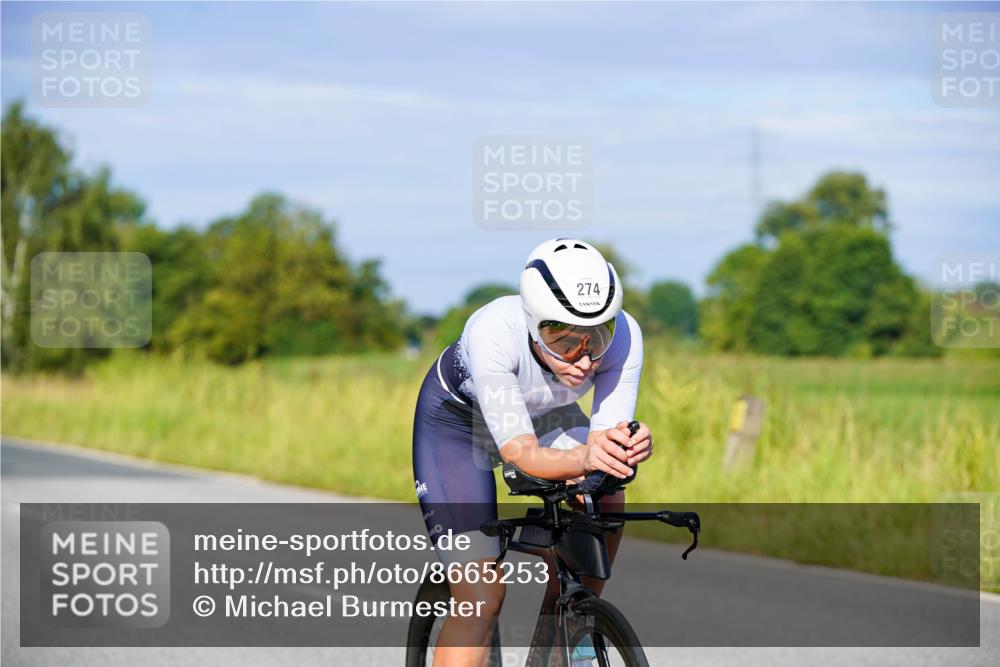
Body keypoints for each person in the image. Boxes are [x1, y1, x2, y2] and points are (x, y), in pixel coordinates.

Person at [411, 238, 653, 667]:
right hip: (457, 425)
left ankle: (566, 636)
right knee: (481, 596)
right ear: (532, 322)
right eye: (563, 341)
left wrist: (625, 445)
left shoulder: (626, 337)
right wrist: (586, 458)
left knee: (606, 493)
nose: (584, 359)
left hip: (546, 414)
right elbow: (519, 451)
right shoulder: (493, 331)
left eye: (597, 336)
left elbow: (603, 445)